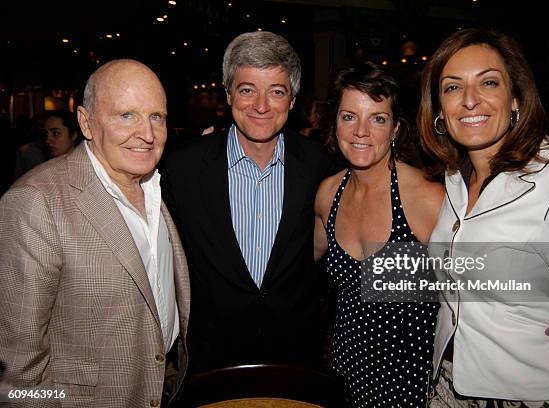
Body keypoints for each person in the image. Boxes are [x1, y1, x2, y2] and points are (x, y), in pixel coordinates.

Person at [417, 28, 549, 406]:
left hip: (529, 396)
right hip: (447, 386)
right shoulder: (456, 178)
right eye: (453, 87)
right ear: (440, 109)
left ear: (516, 99)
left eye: (488, 82)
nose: (470, 101)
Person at [0, 59, 190, 407]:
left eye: (156, 117)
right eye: (126, 115)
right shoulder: (36, 202)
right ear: (86, 122)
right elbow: (17, 375)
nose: (147, 134)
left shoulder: (158, 189)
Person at [161, 31, 332, 372]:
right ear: (228, 95)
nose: (261, 106)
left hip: (297, 359)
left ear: (293, 100)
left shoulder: (321, 166)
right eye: (247, 90)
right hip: (209, 361)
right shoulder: (181, 169)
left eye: (277, 92)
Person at [313, 61, 444, 407]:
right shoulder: (328, 194)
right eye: (349, 116)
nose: (361, 131)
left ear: (396, 129)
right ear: (335, 123)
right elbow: (291, 265)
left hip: (412, 386)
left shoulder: (426, 198)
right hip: (347, 374)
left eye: (378, 118)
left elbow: (482, 286)